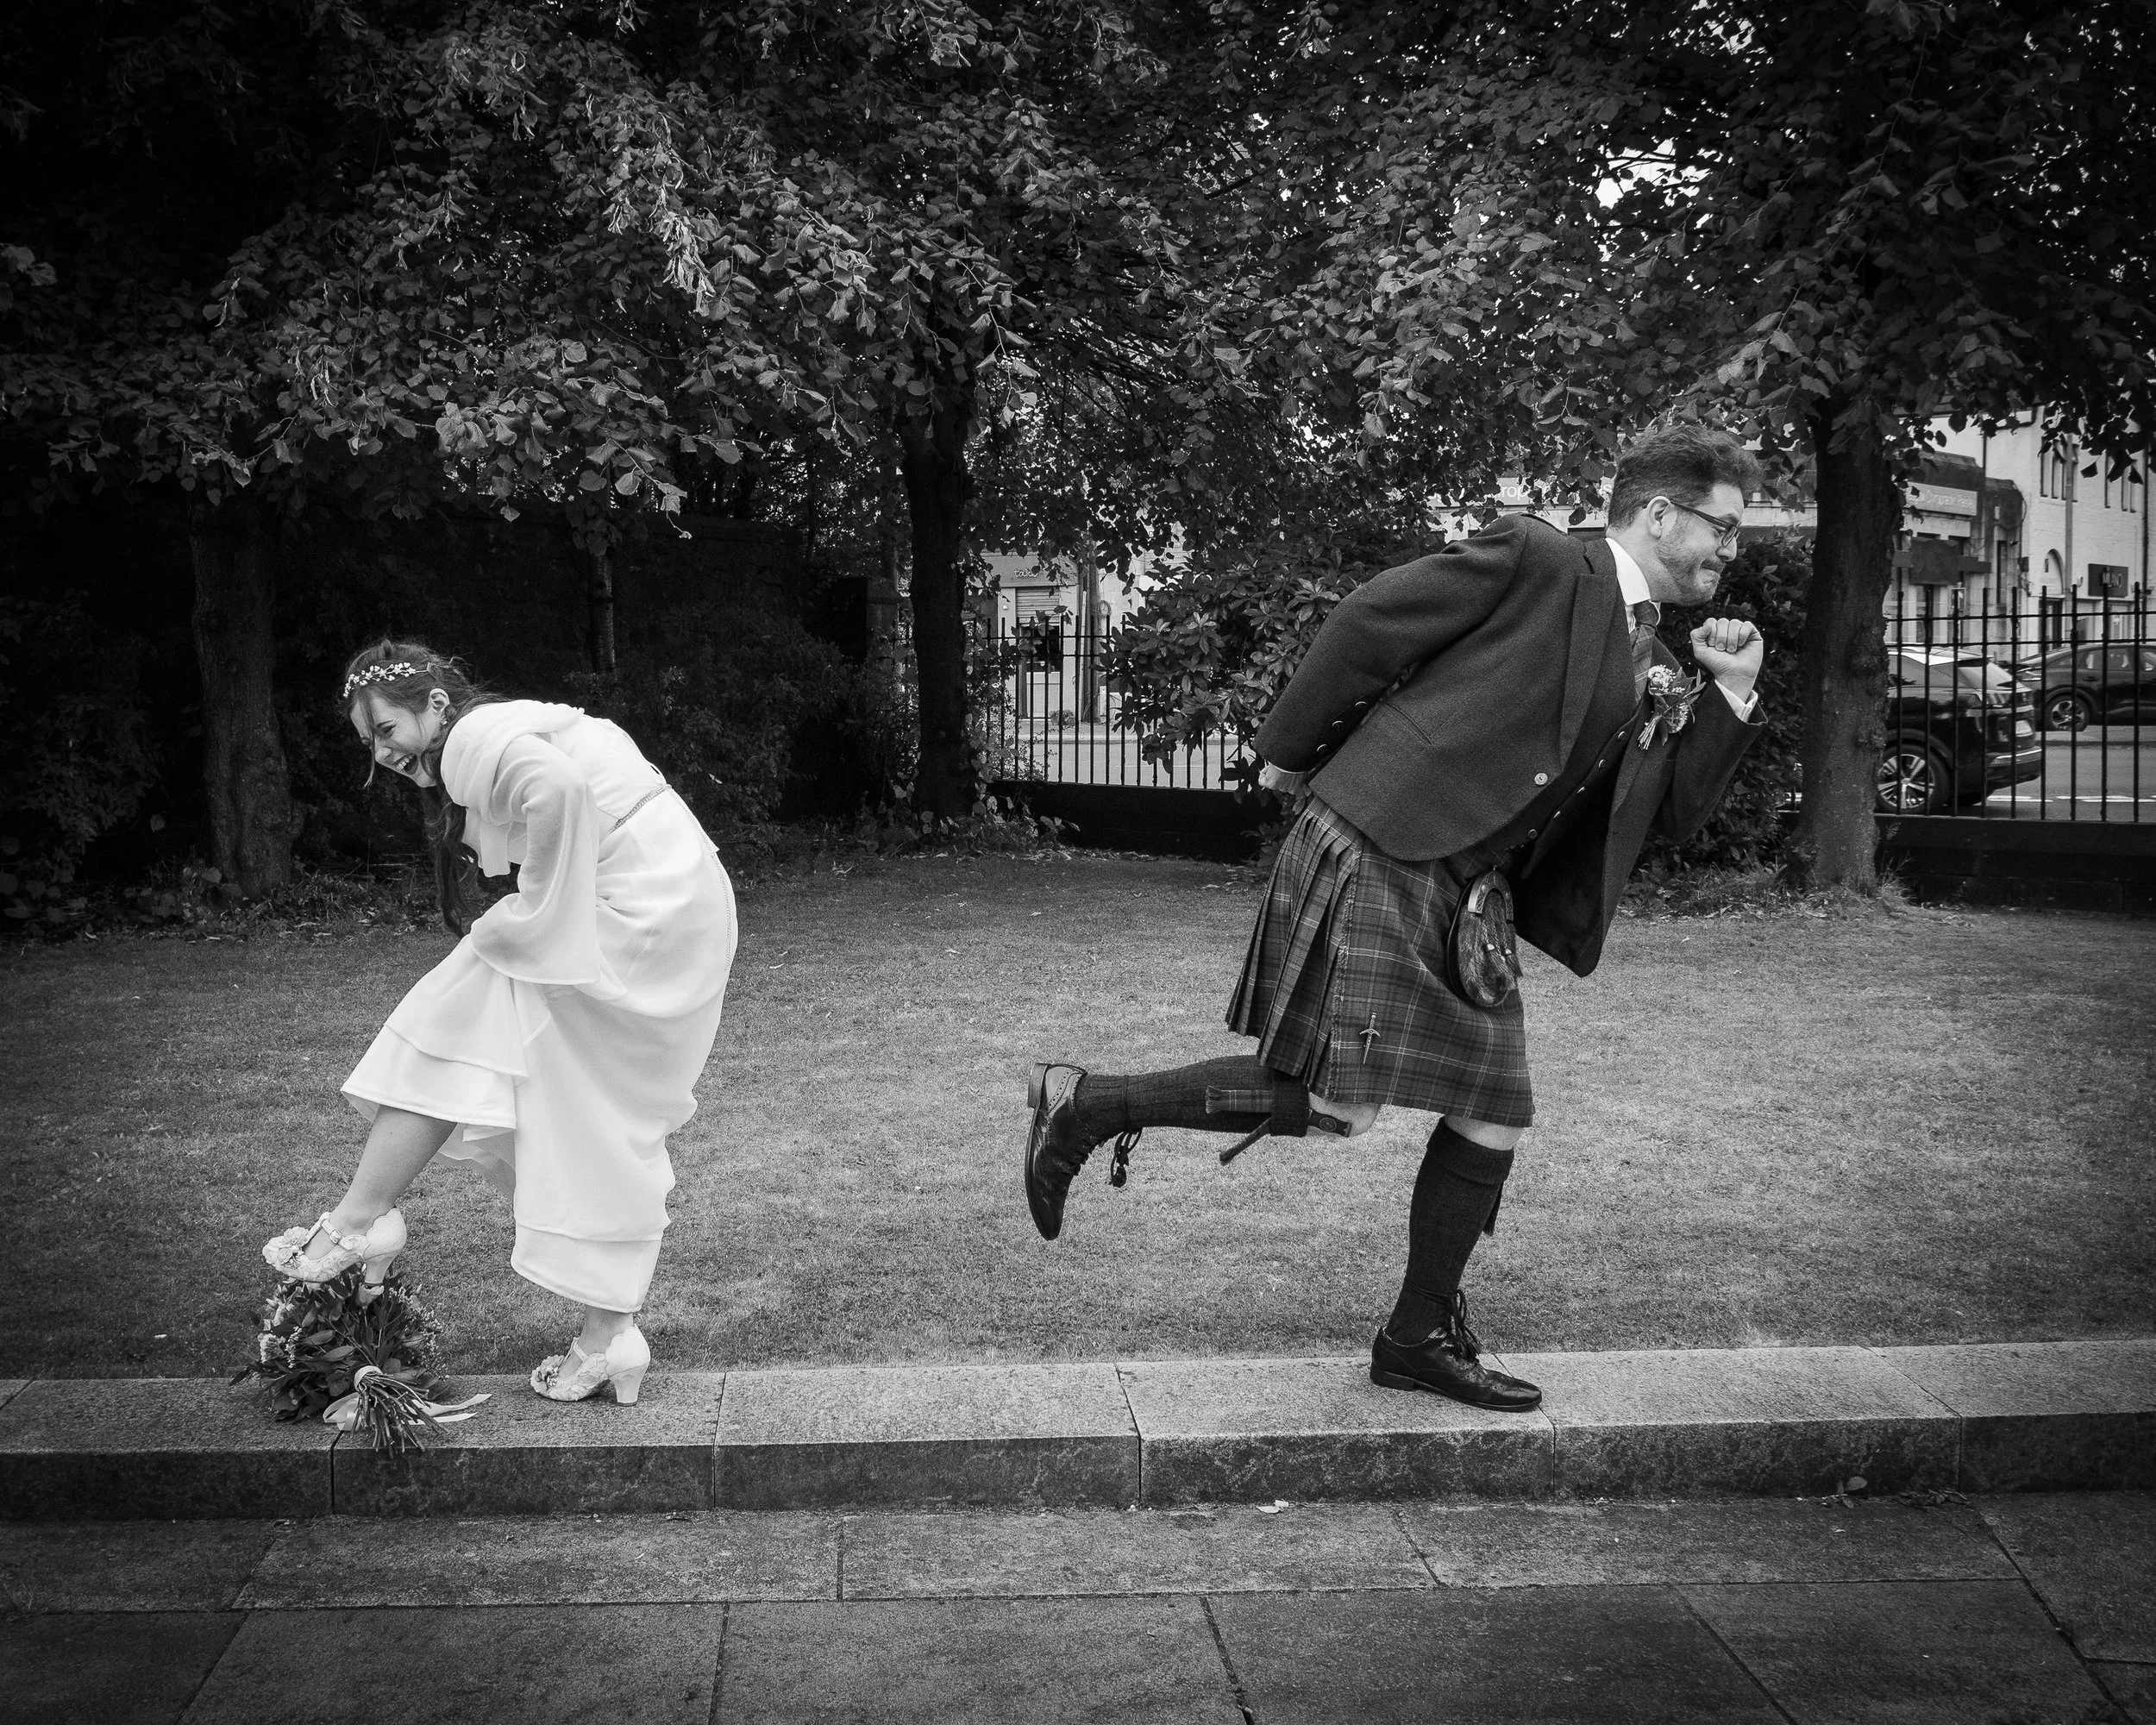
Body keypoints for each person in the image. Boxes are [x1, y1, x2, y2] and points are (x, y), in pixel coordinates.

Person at [1023, 425, 1768, 1412]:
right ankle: (1088, 1106)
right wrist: (1288, 748)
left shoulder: (1652, 658)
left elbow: (1672, 815)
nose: (1729, 549)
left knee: (1493, 1106)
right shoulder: (1542, 558)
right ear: (1661, 513)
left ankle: (1415, 1336)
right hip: (1385, 836)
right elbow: (1372, 619)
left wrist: (1730, 690)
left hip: (1465, 893)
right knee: (1346, 1105)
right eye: (1722, 526)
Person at [262, 641, 738, 1406]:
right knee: (582, 1111)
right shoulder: (507, 727)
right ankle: (609, 1337)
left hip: (646, 911)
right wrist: (549, 913)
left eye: (386, 730)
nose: (382, 753)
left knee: (458, 1013)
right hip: (676, 907)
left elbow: (556, 790)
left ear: (436, 705)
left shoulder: (475, 737)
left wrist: (543, 912)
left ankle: (359, 1220)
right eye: (369, 741)